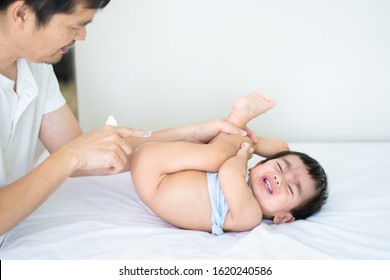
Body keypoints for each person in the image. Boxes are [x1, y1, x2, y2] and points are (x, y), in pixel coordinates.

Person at [0, 0, 254, 240]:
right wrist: (69, 156)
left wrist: (189, 134)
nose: (82, 36)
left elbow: (86, 158)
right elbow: (73, 155)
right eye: (74, 26)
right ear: (21, 14)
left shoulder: (35, 69)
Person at [130, 93, 328, 235]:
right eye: (280, 167)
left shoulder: (251, 216)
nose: (279, 179)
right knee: (217, 155)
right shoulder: (243, 173)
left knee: (216, 157)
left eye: (291, 189)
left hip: (153, 178)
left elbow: (229, 174)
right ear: (256, 167)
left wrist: (243, 155)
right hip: (161, 167)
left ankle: (240, 124)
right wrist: (242, 156)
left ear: (284, 217)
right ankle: (249, 138)